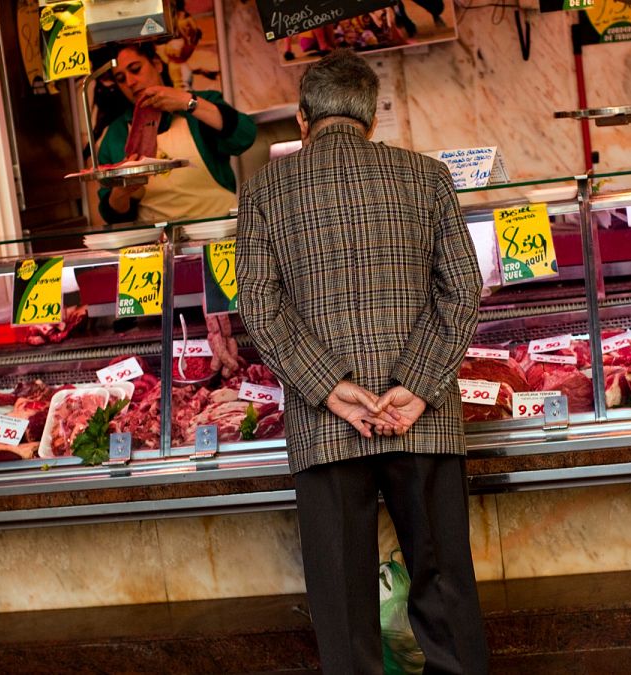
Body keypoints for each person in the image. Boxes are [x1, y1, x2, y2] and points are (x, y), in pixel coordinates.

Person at [236, 50, 489, 674]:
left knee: (344, 605)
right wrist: (417, 386)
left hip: (326, 424)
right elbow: (462, 290)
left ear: (302, 119)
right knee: (443, 583)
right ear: (372, 118)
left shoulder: (263, 189)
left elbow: (260, 308)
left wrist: (332, 388)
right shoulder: (427, 175)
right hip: (421, 419)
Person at [96, 42, 255, 224]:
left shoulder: (202, 104)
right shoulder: (116, 135)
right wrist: (121, 192)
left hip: (220, 230)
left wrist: (187, 102)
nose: (130, 82)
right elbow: (112, 216)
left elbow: (245, 136)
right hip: (158, 238)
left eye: (136, 69)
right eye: (121, 78)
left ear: (157, 64)